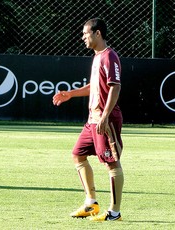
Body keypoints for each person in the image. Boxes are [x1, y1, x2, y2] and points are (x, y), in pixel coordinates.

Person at [53, 18, 124, 221]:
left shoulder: (109, 56)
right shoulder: (97, 57)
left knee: (111, 163)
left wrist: (105, 115)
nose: (83, 37)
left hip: (105, 119)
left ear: (98, 33)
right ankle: (91, 203)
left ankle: (114, 212)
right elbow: (95, 86)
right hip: (92, 120)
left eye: (86, 33)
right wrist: (71, 94)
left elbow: (115, 87)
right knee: (78, 155)